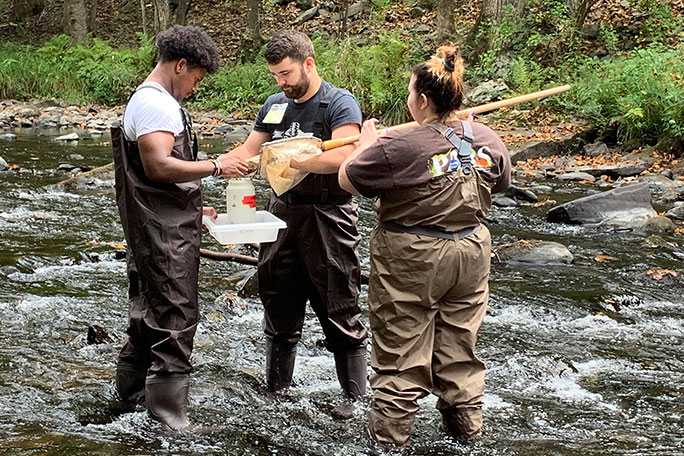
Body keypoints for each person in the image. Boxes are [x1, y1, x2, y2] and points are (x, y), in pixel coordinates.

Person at [339, 46, 512, 447]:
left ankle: (389, 445)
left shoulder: (397, 146)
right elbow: (499, 182)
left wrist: (366, 142)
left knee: (400, 358)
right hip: (470, 252)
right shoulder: (486, 136)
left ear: (422, 100)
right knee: (459, 352)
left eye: (410, 92)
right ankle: (468, 440)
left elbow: (348, 179)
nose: (408, 99)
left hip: (412, 258)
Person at [111, 25, 248, 431]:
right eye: (196, 78)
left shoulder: (148, 100)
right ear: (180, 64)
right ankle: (170, 420)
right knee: (174, 318)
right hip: (162, 237)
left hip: (153, 229)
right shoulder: (157, 105)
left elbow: (153, 181)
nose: (194, 87)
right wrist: (217, 166)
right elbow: (158, 165)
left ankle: (129, 401)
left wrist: (195, 207)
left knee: (145, 318)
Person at [224, 30, 368, 409]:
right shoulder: (274, 104)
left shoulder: (339, 103)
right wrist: (226, 162)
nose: (281, 83)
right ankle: (276, 391)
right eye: (275, 76)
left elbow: (345, 156)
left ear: (308, 63)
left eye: (286, 74)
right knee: (278, 300)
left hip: (328, 214)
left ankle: (353, 398)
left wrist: (296, 161)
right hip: (281, 213)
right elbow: (252, 149)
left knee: (338, 303)